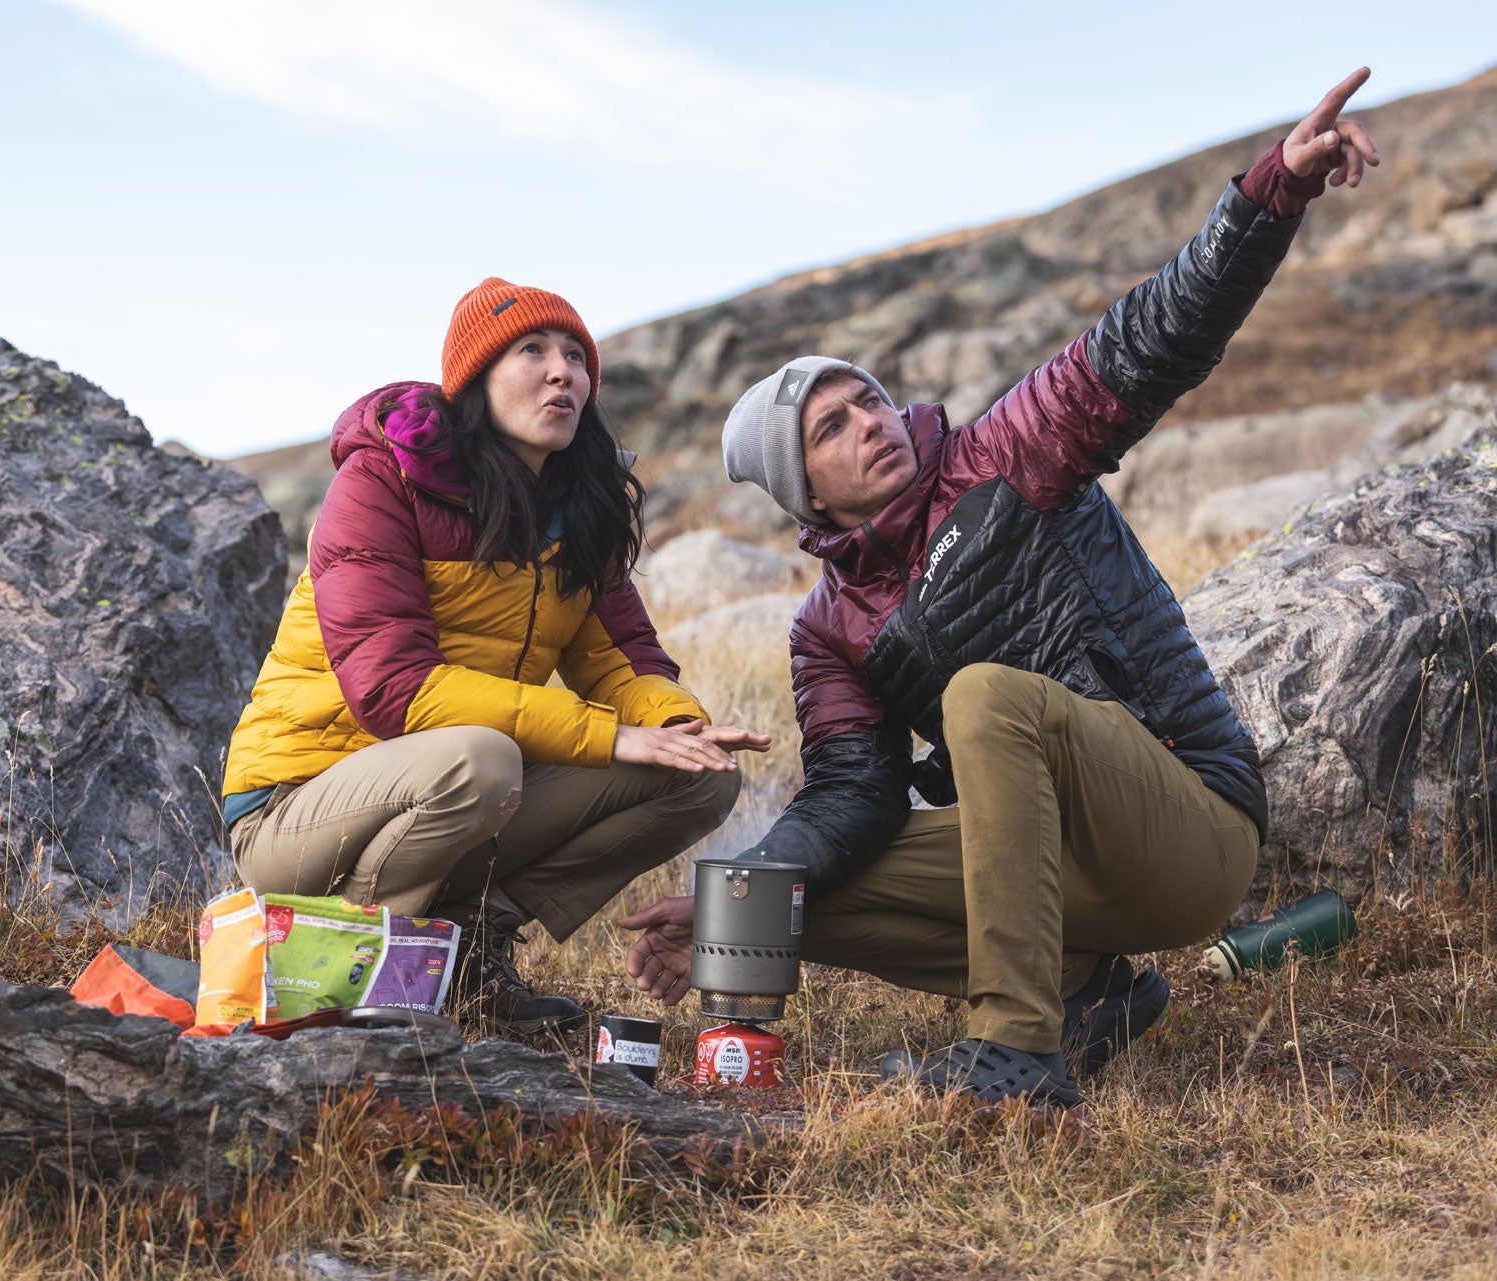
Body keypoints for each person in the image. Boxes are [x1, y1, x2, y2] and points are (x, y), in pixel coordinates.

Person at [620, 70, 1382, 1104]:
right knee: (787, 894)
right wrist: (726, 899)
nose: (873, 424)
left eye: (871, 400)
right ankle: (1085, 994)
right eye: (832, 428)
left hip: (1186, 820)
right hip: (1054, 867)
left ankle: (1017, 1051)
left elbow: (1156, 335)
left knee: (983, 694)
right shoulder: (829, 628)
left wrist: (1269, 196)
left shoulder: (1005, 456)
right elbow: (852, 798)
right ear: (804, 490)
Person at [222, 276, 770, 1034]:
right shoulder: (383, 480)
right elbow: (394, 690)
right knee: (483, 759)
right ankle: (344, 967)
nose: (563, 372)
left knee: (695, 778)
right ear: (474, 379)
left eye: (577, 356)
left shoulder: (579, 510)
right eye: (533, 350)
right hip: (297, 807)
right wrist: (603, 733)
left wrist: (678, 723)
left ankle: (467, 944)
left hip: (453, 794)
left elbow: (623, 661)